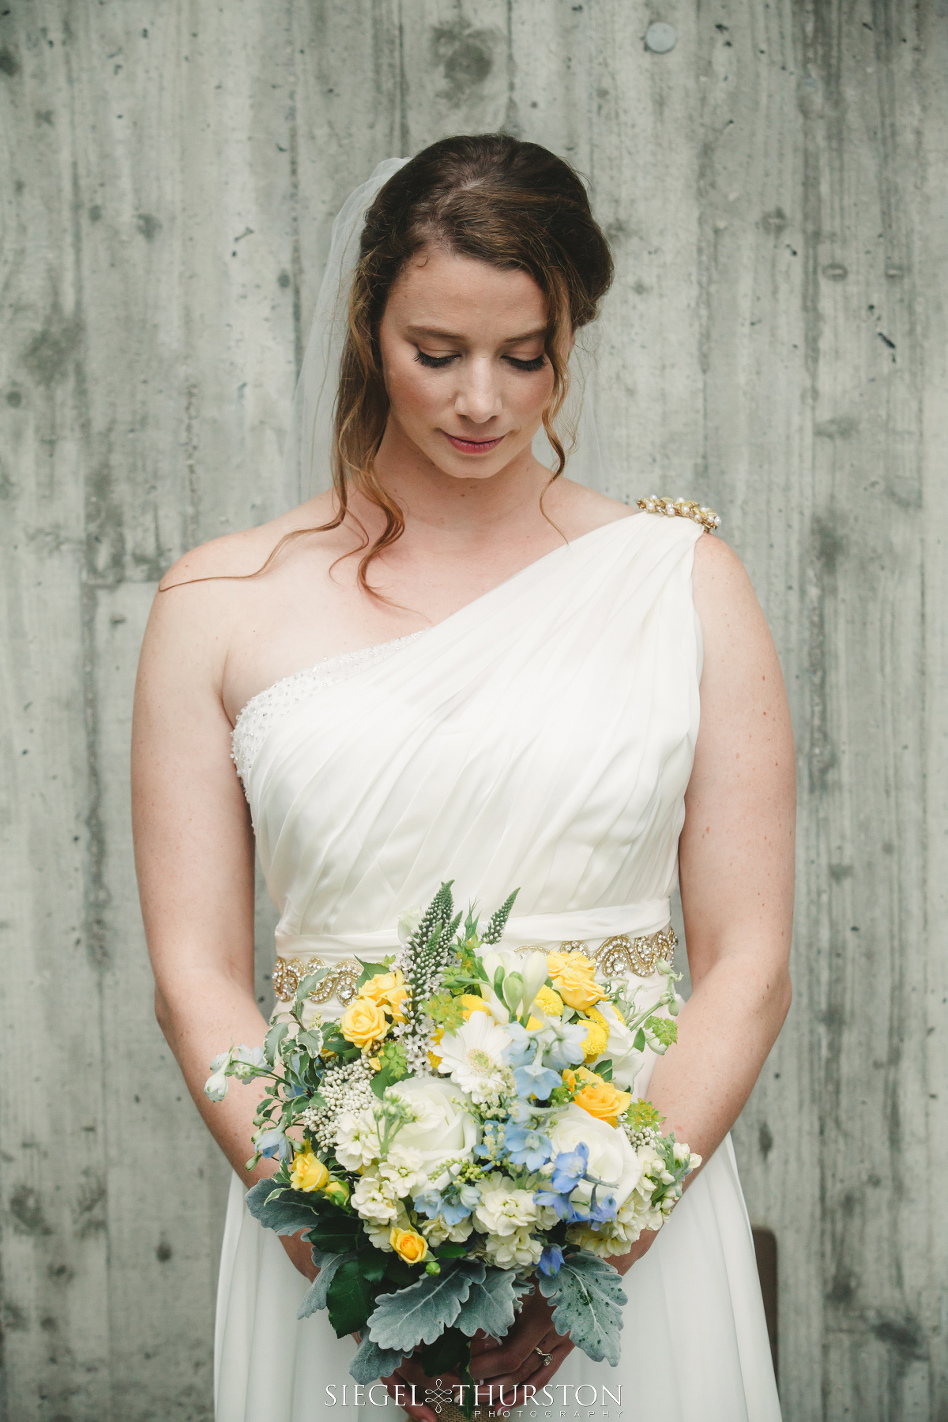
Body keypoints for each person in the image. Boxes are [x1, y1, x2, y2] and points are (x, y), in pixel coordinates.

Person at [133, 134, 794, 1422]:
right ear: (367, 325)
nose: (480, 399)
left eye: (525, 355)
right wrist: (344, 1245)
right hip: (331, 1225)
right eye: (436, 353)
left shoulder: (683, 580)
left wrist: (595, 1252)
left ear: (569, 338)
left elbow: (751, 962)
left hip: (624, 1213)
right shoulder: (215, 602)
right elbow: (196, 978)